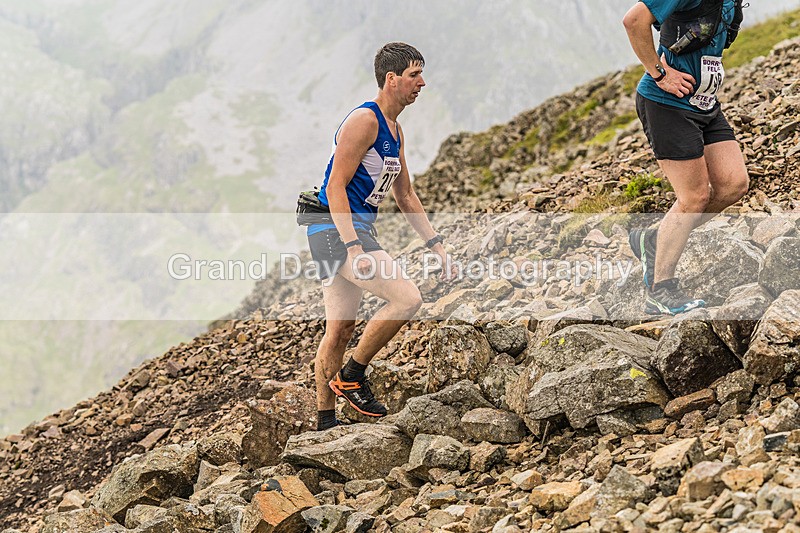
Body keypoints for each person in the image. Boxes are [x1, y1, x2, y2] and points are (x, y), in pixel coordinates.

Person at [306, 42, 453, 431]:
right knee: (407, 298)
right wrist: (354, 247)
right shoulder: (364, 121)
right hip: (335, 229)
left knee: (339, 328)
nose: (422, 82)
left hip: (348, 230)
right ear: (391, 80)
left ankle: (324, 422)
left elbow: (405, 194)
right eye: (414, 75)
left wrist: (435, 244)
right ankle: (352, 376)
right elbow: (335, 187)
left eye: (420, 74)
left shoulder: (395, 130)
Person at [623, 0, 749, 315]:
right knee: (694, 197)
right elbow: (634, 21)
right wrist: (660, 73)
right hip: (667, 103)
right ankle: (660, 289)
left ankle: (655, 239)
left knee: (733, 184)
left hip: (704, 104)